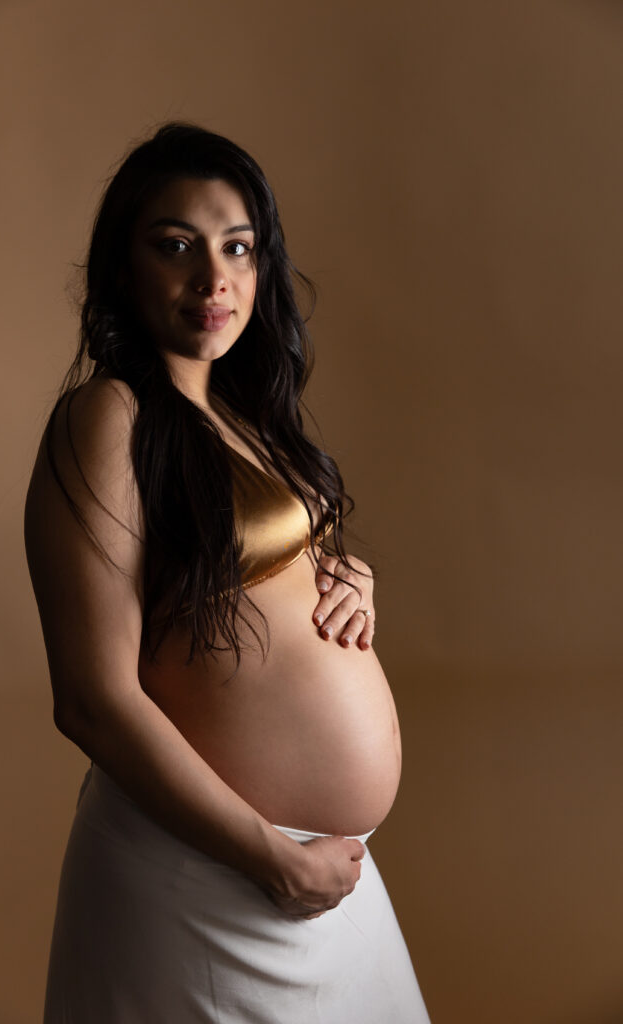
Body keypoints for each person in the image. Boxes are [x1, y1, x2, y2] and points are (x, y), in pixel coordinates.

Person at [24, 122, 430, 1023]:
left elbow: (255, 579)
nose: (213, 278)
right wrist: (269, 858)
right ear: (123, 268)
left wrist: (343, 582)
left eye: (237, 247)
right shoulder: (108, 416)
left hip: (325, 881)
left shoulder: (247, 415)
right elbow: (90, 697)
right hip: (210, 877)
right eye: (176, 246)